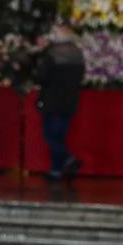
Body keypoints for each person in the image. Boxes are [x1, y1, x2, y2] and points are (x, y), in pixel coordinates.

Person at [32, 24, 86, 182]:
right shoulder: (77, 54)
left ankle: (68, 159)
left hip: (52, 100)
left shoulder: (52, 55)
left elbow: (41, 77)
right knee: (60, 135)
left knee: (50, 135)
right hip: (70, 100)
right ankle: (55, 171)